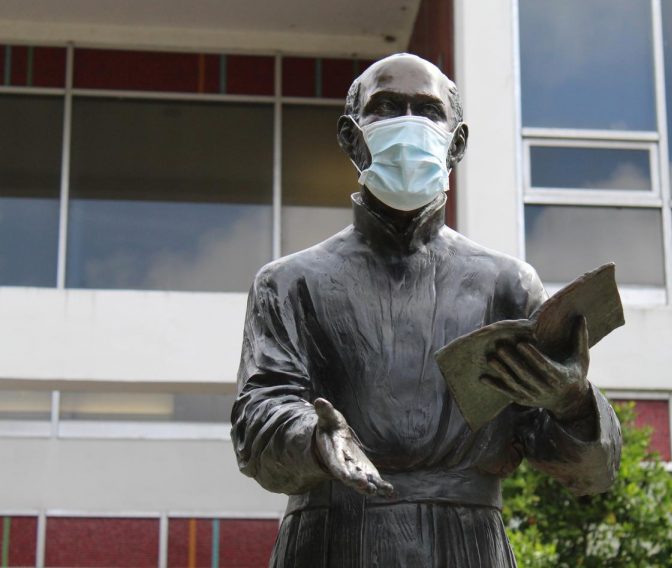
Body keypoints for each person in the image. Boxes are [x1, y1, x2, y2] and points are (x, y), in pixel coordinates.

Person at [231, 53, 622, 567]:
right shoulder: (289, 282)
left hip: (467, 544)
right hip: (331, 542)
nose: (407, 125)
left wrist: (571, 403)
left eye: (427, 111)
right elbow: (257, 421)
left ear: (456, 142)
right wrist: (314, 437)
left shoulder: (505, 283)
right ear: (353, 137)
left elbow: (589, 472)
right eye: (387, 108)